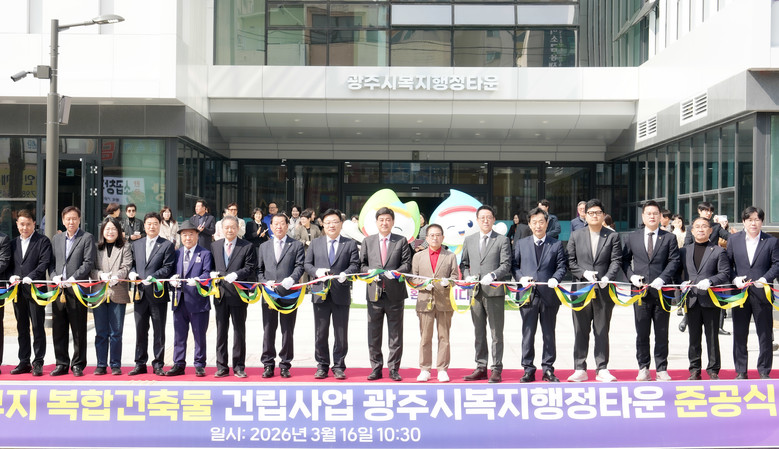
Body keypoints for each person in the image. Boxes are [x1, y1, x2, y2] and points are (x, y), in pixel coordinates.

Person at [621, 201, 680, 381]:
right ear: (643, 216)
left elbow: (674, 261)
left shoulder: (669, 238)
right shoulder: (633, 237)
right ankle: (643, 367)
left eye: (655, 213)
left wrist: (662, 278)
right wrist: (631, 276)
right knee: (642, 333)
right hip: (640, 293)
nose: (652, 216)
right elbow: (624, 261)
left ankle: (661, 368)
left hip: (662, 292)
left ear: (660, 216)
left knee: (662, 332)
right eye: (649, 213)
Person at [566, 199, 622, 382]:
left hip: (604, 290)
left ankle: (602, 368)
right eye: (591, 213)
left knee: (602, 330)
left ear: (603, 215)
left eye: (598, 212)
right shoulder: (576, 235)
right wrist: (583, 273)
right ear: (585, 215)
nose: (594, 216)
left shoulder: (612, 236)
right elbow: (570, 261)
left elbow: (616, 260)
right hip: (581, 290)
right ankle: (579, 368)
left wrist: (608, 277)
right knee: (580, 330)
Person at [512, 207, 567, 383]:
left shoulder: (556, 244)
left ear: (547, 223)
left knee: (549, 334)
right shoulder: (521, 244)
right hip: (528, 295)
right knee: (528, 334)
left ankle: (548, 369)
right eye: (534, 222)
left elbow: (562, 266)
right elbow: (514, 266)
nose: (538, 225)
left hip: (549, 295)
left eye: (541, 222)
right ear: (529, 224)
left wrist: (555, 278)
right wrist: (520, 278)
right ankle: (528, 369)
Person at [304, 209, 360, 380]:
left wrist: (346, 273)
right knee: (320, 332)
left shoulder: (349, 244)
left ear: (341, 224)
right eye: (327, 222)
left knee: (341, 333)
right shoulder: (316, 243)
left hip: (340, 293)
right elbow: (307, 264)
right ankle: (322, 365)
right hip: (320, 293)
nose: (331, 225)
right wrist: (316, 272)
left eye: (335, 222)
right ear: (323, 224)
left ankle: (339, 366)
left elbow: (355, 264)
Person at [460, 205, 512, 383]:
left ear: (494, 219)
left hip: (494, 292)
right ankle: (481, 367)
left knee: (496, 333)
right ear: (477, 220)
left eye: (489, 217)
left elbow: (506, 264)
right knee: (479, 331)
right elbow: (464, 264)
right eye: (482, 217)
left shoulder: (502, 240)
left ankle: (496, 368)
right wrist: (467, 276)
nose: (485, 220)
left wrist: (494, 275)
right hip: (475, 292)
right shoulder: (470, 240)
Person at [360, 207, 413, 381]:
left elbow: (407, 264)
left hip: (395, 294)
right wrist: (369, 272)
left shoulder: (401, 241)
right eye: (381, 220)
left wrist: (396, 272)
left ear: (393, 222)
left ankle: (393, 369)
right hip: (374, 294)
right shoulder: (368, 241)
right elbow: (361, 265)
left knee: (395, 335)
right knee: (373, 334)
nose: (384, 223)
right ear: (376, 222)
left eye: (388, 220)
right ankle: (376, 368)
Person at [728, 206, 779, 380]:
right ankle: (741, 371)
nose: (753, 223)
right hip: (740, 294)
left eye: (757, 219)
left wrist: (765, 278)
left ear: (762, 222)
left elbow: (777, 264)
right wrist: (734, 279)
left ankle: (764, 370)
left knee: (765, 334)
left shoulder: (771, 241)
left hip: (762, 293)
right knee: (739, 333)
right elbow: (727, 264)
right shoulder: (734, 240)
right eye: (750, 220)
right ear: (743, 221)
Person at [679, 216, 730, 380]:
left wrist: (710, 281)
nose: (700, 229)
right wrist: (681, 283)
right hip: (692, 299)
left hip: (711, 300)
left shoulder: (718, 251)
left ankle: (713, 369)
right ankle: (694, 369)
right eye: (697, 226)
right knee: (693, 337)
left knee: (712, 337)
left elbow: (725, 273)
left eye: (704, 226)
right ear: (692, 231)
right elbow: (677, 272)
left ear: (710, 230)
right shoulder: (684, 251)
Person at [49, 206, 97, 377]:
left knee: (78, 329)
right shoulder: (57, 238)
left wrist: (73, 278)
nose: (71, 222)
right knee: (58, 329)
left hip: (77, 289)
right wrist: (54, 277)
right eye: (68, 219)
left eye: (74, 218)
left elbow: (88, 262)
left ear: (79, 220)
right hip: (59, 290)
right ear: (63, 220)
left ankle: (78, 364)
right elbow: (51, 262)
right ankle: (61, 363)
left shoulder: (87, 238)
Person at [257, 213, 305, 378]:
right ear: (270, 226)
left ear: (287, 225)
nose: (278, 226)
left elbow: (300, 266)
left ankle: (285, 364)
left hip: (289, 294)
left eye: (282, 223)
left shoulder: (296, 245)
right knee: (268, 330)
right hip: (269, 294)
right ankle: (268, 364)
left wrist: (292, 278)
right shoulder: (264, 247)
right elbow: (259, 270)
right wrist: (264, 282)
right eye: (275, 224)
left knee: (287, 330)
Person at [128, 212, 176, 376]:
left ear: (160, 225)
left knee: (159, 331)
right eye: (149, 223)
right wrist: (132, 273)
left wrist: (154, 277)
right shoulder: (136, 244)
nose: (152, 226)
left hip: (157, 294)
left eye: (155, 223)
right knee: (140, 330)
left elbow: (168, 267)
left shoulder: (166, 245)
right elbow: (132, 264)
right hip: (140, 294)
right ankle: (140, 363)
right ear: (144, 225)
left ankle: (158, 364)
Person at [210, 215, 257, 378]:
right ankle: (221, 366)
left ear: (238, 228)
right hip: (220, 294)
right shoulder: (215, 246)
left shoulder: (247, 246)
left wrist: (237, 274)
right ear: (221, 229)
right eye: (226, 227)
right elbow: (211, 266)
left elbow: (251, 267)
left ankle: (239, 366)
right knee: (221, 331)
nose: (229, 230)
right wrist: (212, 273)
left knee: (239, 331)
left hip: (238, 294)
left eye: (232, 227)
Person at [411, 223, 458, 382]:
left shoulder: (450, 256)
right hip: (425, 301)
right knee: (425, 338)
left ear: (443, 237)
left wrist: (448, 282)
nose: (435, 238)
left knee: (444, 337)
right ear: (426, 238)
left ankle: (442, 369)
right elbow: (413, 278)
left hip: (444, 302)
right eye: (432, 235)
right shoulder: (418, 256)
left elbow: (455, 277)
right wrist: (423, 285)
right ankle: (425, 369)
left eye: (438, 235)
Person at [166, 221, 213, 377]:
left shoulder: (205, 253)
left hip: (198, 301)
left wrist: (199, 280)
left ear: (197, 235)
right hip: (179, 300)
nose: (188, 238)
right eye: (184, 235)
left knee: (199, 335)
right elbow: (171, 271)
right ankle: (178, 364)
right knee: (179, 335)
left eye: (191, 234)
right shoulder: (177, 253)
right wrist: (172, 279)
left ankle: (199, 364)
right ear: (180, 237)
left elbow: (207, 273)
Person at [8, 210, 51, 376]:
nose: (24, 227)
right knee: (22, 327)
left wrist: (31, 276)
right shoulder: (13, 243)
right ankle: (24, 361)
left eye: (28, 224)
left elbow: (44, 263)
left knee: (38, 326)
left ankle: (38, 362)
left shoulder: (42, 241)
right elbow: (9, 264)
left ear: (34, 224)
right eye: (21, 224)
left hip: (35, 290)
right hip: (18, 292)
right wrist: (11, 276)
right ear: (17, 224)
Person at [94, 217, 133, 375]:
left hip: (118, 292)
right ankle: (101, 364)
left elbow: (127, 266)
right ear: (102, 231)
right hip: (99, 293)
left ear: (119, 231)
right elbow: (91, 268)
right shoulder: (96, 248)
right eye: (107, 229)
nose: (110, 232)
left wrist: (117, 276)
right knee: (101, 332)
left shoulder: (125, 247)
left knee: (116, 332)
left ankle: (115, 364)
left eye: (113, 229)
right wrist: (99, 275)